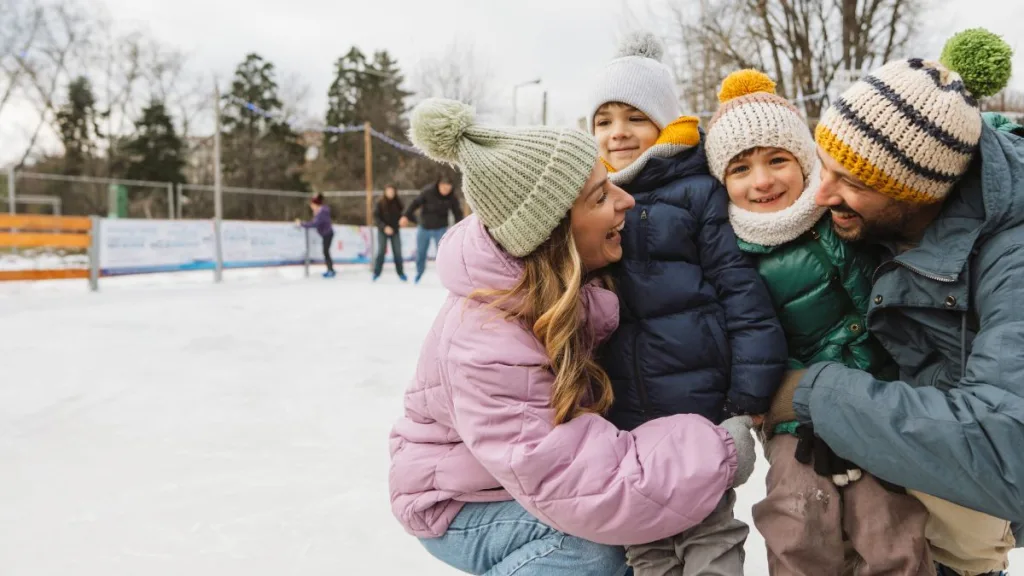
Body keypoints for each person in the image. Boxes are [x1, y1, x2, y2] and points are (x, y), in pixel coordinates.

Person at [389, 97, 760, 576]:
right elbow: (578, 481)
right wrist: (719, 452)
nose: (626, 200)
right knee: (596, 551)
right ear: (555, 233)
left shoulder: (565, 286)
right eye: (601, 196)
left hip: (506, 480)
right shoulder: (485, 342)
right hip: (459, 504)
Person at [767, 29, 1020, 576]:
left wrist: (818, 397)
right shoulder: (874, 219)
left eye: (849, 181)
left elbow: (1009, 450)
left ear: (919, 193)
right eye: (821, 165)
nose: (821, 194)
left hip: (964, 522)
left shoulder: (1013, 259)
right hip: (898, 481)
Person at [706, 69, 934, 576]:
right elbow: (748, 340)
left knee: (888, 522)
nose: (762, 180)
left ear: (805, 160)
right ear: (722, 181)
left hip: (879, 395)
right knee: (797, 520)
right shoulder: (728, 255)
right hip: (794, 414)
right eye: (740, 168)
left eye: (777, 159)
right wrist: (804, 411)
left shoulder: (842, 215)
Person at [587, 32, 787, 575]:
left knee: (708, 533)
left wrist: (744, 401)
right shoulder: (588, 200)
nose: (618, 133)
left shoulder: (697, 191)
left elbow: (742, 294)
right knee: (646, 542)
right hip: (624, 411)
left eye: (632, 116)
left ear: (663, 120)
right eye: (603, 121)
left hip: (699, 405)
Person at [399, 174, 463, 283]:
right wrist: (405, 216)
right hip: (424, 227)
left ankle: (446, 276)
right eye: (443, 187)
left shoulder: (452, 197)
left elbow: (457, 212)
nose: (445, 190)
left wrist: (461, 227)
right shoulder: (428, 191)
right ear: (439, 185)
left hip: (440, 228)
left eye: (448, 188)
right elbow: (414, 204)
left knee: (443, 254)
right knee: (421, 252)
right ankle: (419, 273)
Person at [372, 184, 407, 282]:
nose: (390, 193)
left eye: (392, 191)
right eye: (388, 191)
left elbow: (404, 214)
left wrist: (404, 221)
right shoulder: (379, 203)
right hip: (383, 231)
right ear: (385, 192)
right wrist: (384, 227)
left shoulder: (398, 203)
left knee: (397, 252)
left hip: (395, 231)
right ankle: (376, 273)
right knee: (381, 251)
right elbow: (376, 218)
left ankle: (401, 273)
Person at [297, 193, 334, 278]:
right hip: (326, 233)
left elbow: (315, 223)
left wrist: (302, 224)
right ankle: (330, 269)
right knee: (326, 252)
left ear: (315, 205)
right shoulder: (321, 211)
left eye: (312, 205)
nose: (311, 207)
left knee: (325, 252)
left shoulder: (322, 212)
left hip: (327, 233)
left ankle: (330, 270)